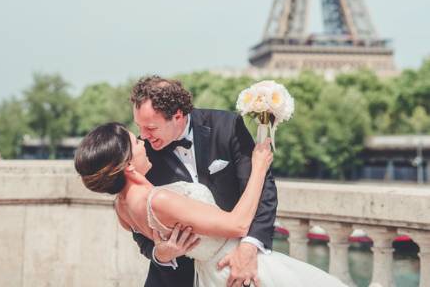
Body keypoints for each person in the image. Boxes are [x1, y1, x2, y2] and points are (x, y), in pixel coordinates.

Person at [74, 122, 347, 287]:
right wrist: (259, 169)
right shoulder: (160, 200)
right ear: (129, 165)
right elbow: (238, 223)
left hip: (211, 277)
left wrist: (162, 253)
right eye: (136, 142)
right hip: (237, 271)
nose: (143, 141)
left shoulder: (122, 208)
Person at [130, 76, 278, 287]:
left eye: (151, 128)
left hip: (233, 271)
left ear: (178, 115)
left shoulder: (228, 126)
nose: (143, 136)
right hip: (173, 280)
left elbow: (263, 189)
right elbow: (138, 219)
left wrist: (249, 247)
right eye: (139, 127)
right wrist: (160, 254)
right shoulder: (143, 157)